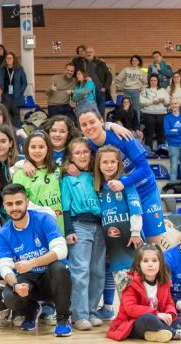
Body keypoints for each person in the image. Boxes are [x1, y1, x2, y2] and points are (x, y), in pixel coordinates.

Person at [77, 109, 165, 246]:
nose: (88, 127)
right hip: (120, 198)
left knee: (153, 244)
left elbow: (146, 170)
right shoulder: (87, 146)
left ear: (101, 121)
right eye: (84, 125)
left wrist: (124, 183)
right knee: (127, 245)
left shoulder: (123, 136)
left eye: (92, 122)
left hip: (145, 192)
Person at [0, 184, 72, 336]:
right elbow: (4, 266)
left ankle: (63, 319)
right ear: (4, 206)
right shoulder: (3, 233)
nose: (14, 207)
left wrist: (32, 263)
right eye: (10, 204)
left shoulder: (44, 219)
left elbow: (61, 250)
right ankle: (31, 310)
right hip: (28, 279)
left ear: (27, 202)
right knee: (8, 295)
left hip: (50, 277)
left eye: (19, 203)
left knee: (60, 268)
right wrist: (15, 285)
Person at [94, 145, 144, 318]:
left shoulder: (125, 183)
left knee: (138, 281)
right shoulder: (97, 188)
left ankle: (142, 314)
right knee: (121, 284)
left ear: (119, 163)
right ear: (98, 164)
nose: (109, 166)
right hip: (113, 248)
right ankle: (130, 315)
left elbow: (135, 207)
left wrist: (136, 231)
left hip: (131, 243)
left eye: (112, 162)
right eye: (104, 162)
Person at [61, 138, 103, 331]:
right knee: (80, 271)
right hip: (79, 225)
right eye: (77, 153)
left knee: (97, 271)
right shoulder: (68, 178)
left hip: (100, 226)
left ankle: (93, 311)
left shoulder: (97, 174)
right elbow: (66, 207)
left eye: (85, 151)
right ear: (71, 157)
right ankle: (79, 315)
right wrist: (69, 230)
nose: (82, 156)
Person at [106, 245, 181, 342]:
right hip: (133, 323)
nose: (150, 264)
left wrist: (170, 314)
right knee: (148, 318)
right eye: (145, 261)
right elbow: (131, 308)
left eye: (154, 261)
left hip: (159, 319)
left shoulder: (164, 282)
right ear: (138, 264)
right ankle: (176, 333)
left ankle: (155, 334)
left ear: (160, 263)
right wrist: (157, 314)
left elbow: (169, 302)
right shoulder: (130, 282)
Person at [13, 133, 63, 230]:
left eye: (41, 147)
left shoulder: (57, 169)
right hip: (36, 227)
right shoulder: (19, 175)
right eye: (33, 147)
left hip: (59, 225)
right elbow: (21, 203)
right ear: (27, 148)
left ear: (48, 148)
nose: (37, 151)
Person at [0, 51, 28, 126]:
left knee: (16, 115)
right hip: (4, 95)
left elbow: (24, 83)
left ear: (14, 59)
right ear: (5, 60)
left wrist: (20, 93)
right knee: (5, 114)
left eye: (10, 58)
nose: (9, 60)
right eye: (7, 58)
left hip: (16, 96)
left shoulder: (19, 70)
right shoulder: (1, 70)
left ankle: (18, 131)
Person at [141, 75, 170, 153]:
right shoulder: (145, 90)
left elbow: (168, 102)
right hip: (148, 113)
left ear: (158, 81)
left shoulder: (163, 90)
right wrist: (152, 102)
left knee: (161, 133)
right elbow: (141, 101)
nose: (153, 82)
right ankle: (148, 151)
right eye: (151, 80)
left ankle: (162, 150)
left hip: (161, 113)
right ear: (149, 81)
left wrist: (163, 101)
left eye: (155, 80)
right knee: (149, 134)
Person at [80, 47, 112, 114]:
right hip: (87, 92)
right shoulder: (81, 63)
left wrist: (105, 87)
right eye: (87, 52)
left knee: (100, 112)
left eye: (90, 52)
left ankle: (101, 124)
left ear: (94, 53)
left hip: (99, 91)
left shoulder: (100, 63)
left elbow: (109, 75)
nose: (88, 54)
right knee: (89, 112)